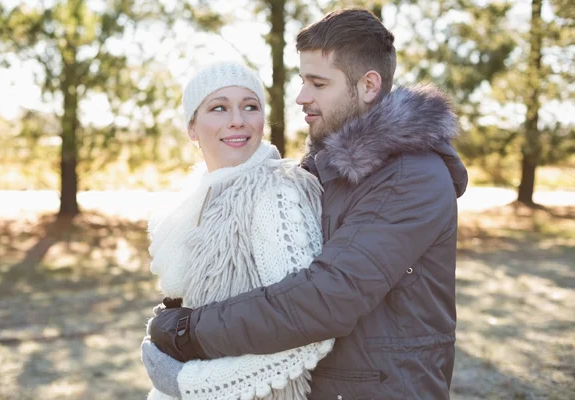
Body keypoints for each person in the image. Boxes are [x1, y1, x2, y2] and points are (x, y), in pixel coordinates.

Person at [145, 8, 469, 400]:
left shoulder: (411, 178)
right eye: (302, 81)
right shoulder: (324, 169)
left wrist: (189, 332)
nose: (301, 97)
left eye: (317, 83)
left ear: (368, 85)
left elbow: (327, 297)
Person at [141, 61, 334, 400]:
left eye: (250, 106)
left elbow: (309, 334)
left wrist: (190, 382)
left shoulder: (274, 192)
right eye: (219, 107)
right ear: (192, 128)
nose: (238, 120)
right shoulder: (195, 196)